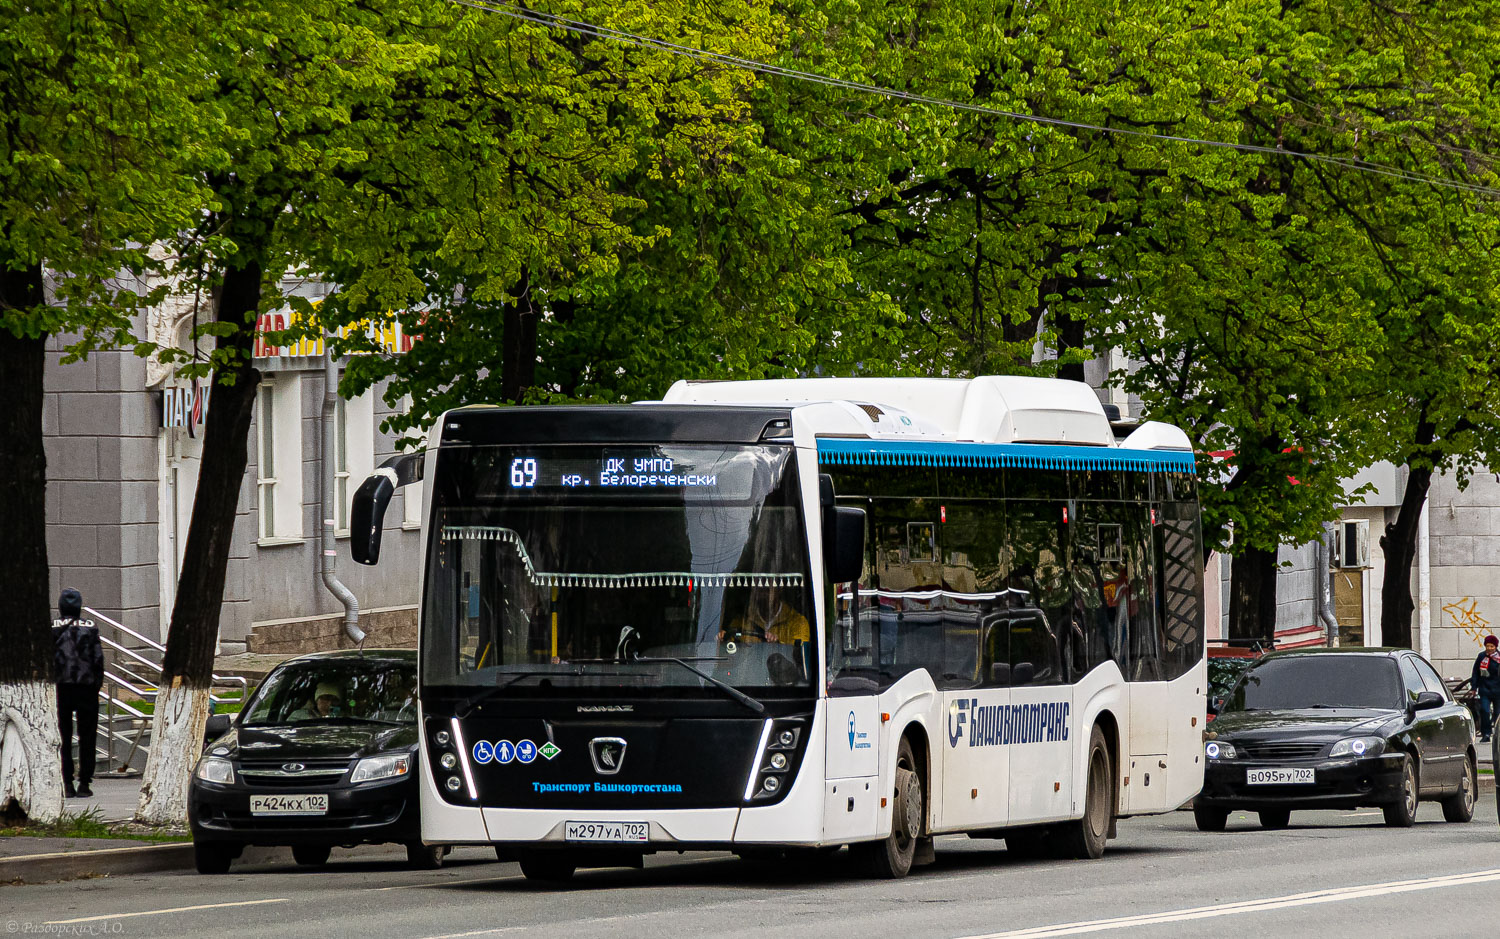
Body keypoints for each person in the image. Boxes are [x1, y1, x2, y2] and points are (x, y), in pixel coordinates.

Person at [53, 587, 104, 798]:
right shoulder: (90, 628)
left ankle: (66, 781)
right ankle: (85, 782)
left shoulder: (52, 627)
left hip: (60, 688)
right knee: (88, 736)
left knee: (62, 737)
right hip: (86, 688)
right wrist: (96, 685)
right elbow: (98, 659)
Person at [722, 587, 810, 645]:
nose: (763, 594)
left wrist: (778, 645)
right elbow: (730, 653)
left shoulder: (798, 623)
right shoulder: (741, 621)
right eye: (759, 588)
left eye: (768, 589)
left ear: (779, 589)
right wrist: (721, 639)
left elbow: (799, 657)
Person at [1471, 635, 1500, 742]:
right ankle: (1486, 733)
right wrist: (1474, 687)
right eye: (1488, 646)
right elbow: (1475, 673)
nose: (1489, 648)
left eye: (1492, 646)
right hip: (1485, 689)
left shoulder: (1499, 658)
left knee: (1498, 713)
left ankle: (1498, 733)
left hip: (1498, 690)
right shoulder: (1481, 656)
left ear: (1496, 647)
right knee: (1485, 711)